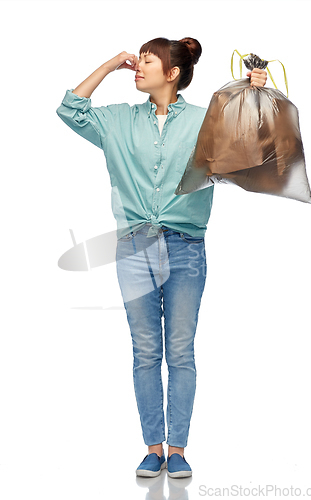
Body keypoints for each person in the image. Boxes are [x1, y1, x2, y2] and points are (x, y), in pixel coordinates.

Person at [56, 37, 267, 479]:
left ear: (172, 74)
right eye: (137, 59)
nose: (138, 65)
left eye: (147, 60)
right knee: (146, 352)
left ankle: (179, 450)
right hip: (135, 246)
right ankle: (153, 449)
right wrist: (112, 63)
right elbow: (70, 108)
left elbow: (251, 148)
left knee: (181, 352)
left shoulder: (202, 120)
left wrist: (255, 94)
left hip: (186, 246)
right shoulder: (117, 120)